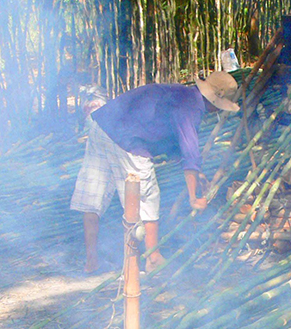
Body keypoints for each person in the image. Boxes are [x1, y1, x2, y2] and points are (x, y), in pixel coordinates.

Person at [70, 71, 240, 274]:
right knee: (147, 196)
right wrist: (194, 197)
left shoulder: (179, 94)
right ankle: (153, 257)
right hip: (127, 139)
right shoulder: (190, 106)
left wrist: (197, 175)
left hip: (101, 125)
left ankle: (92, 262)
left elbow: (169, 139)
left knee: (93, 196)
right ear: (215, 101)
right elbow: (190, 151)